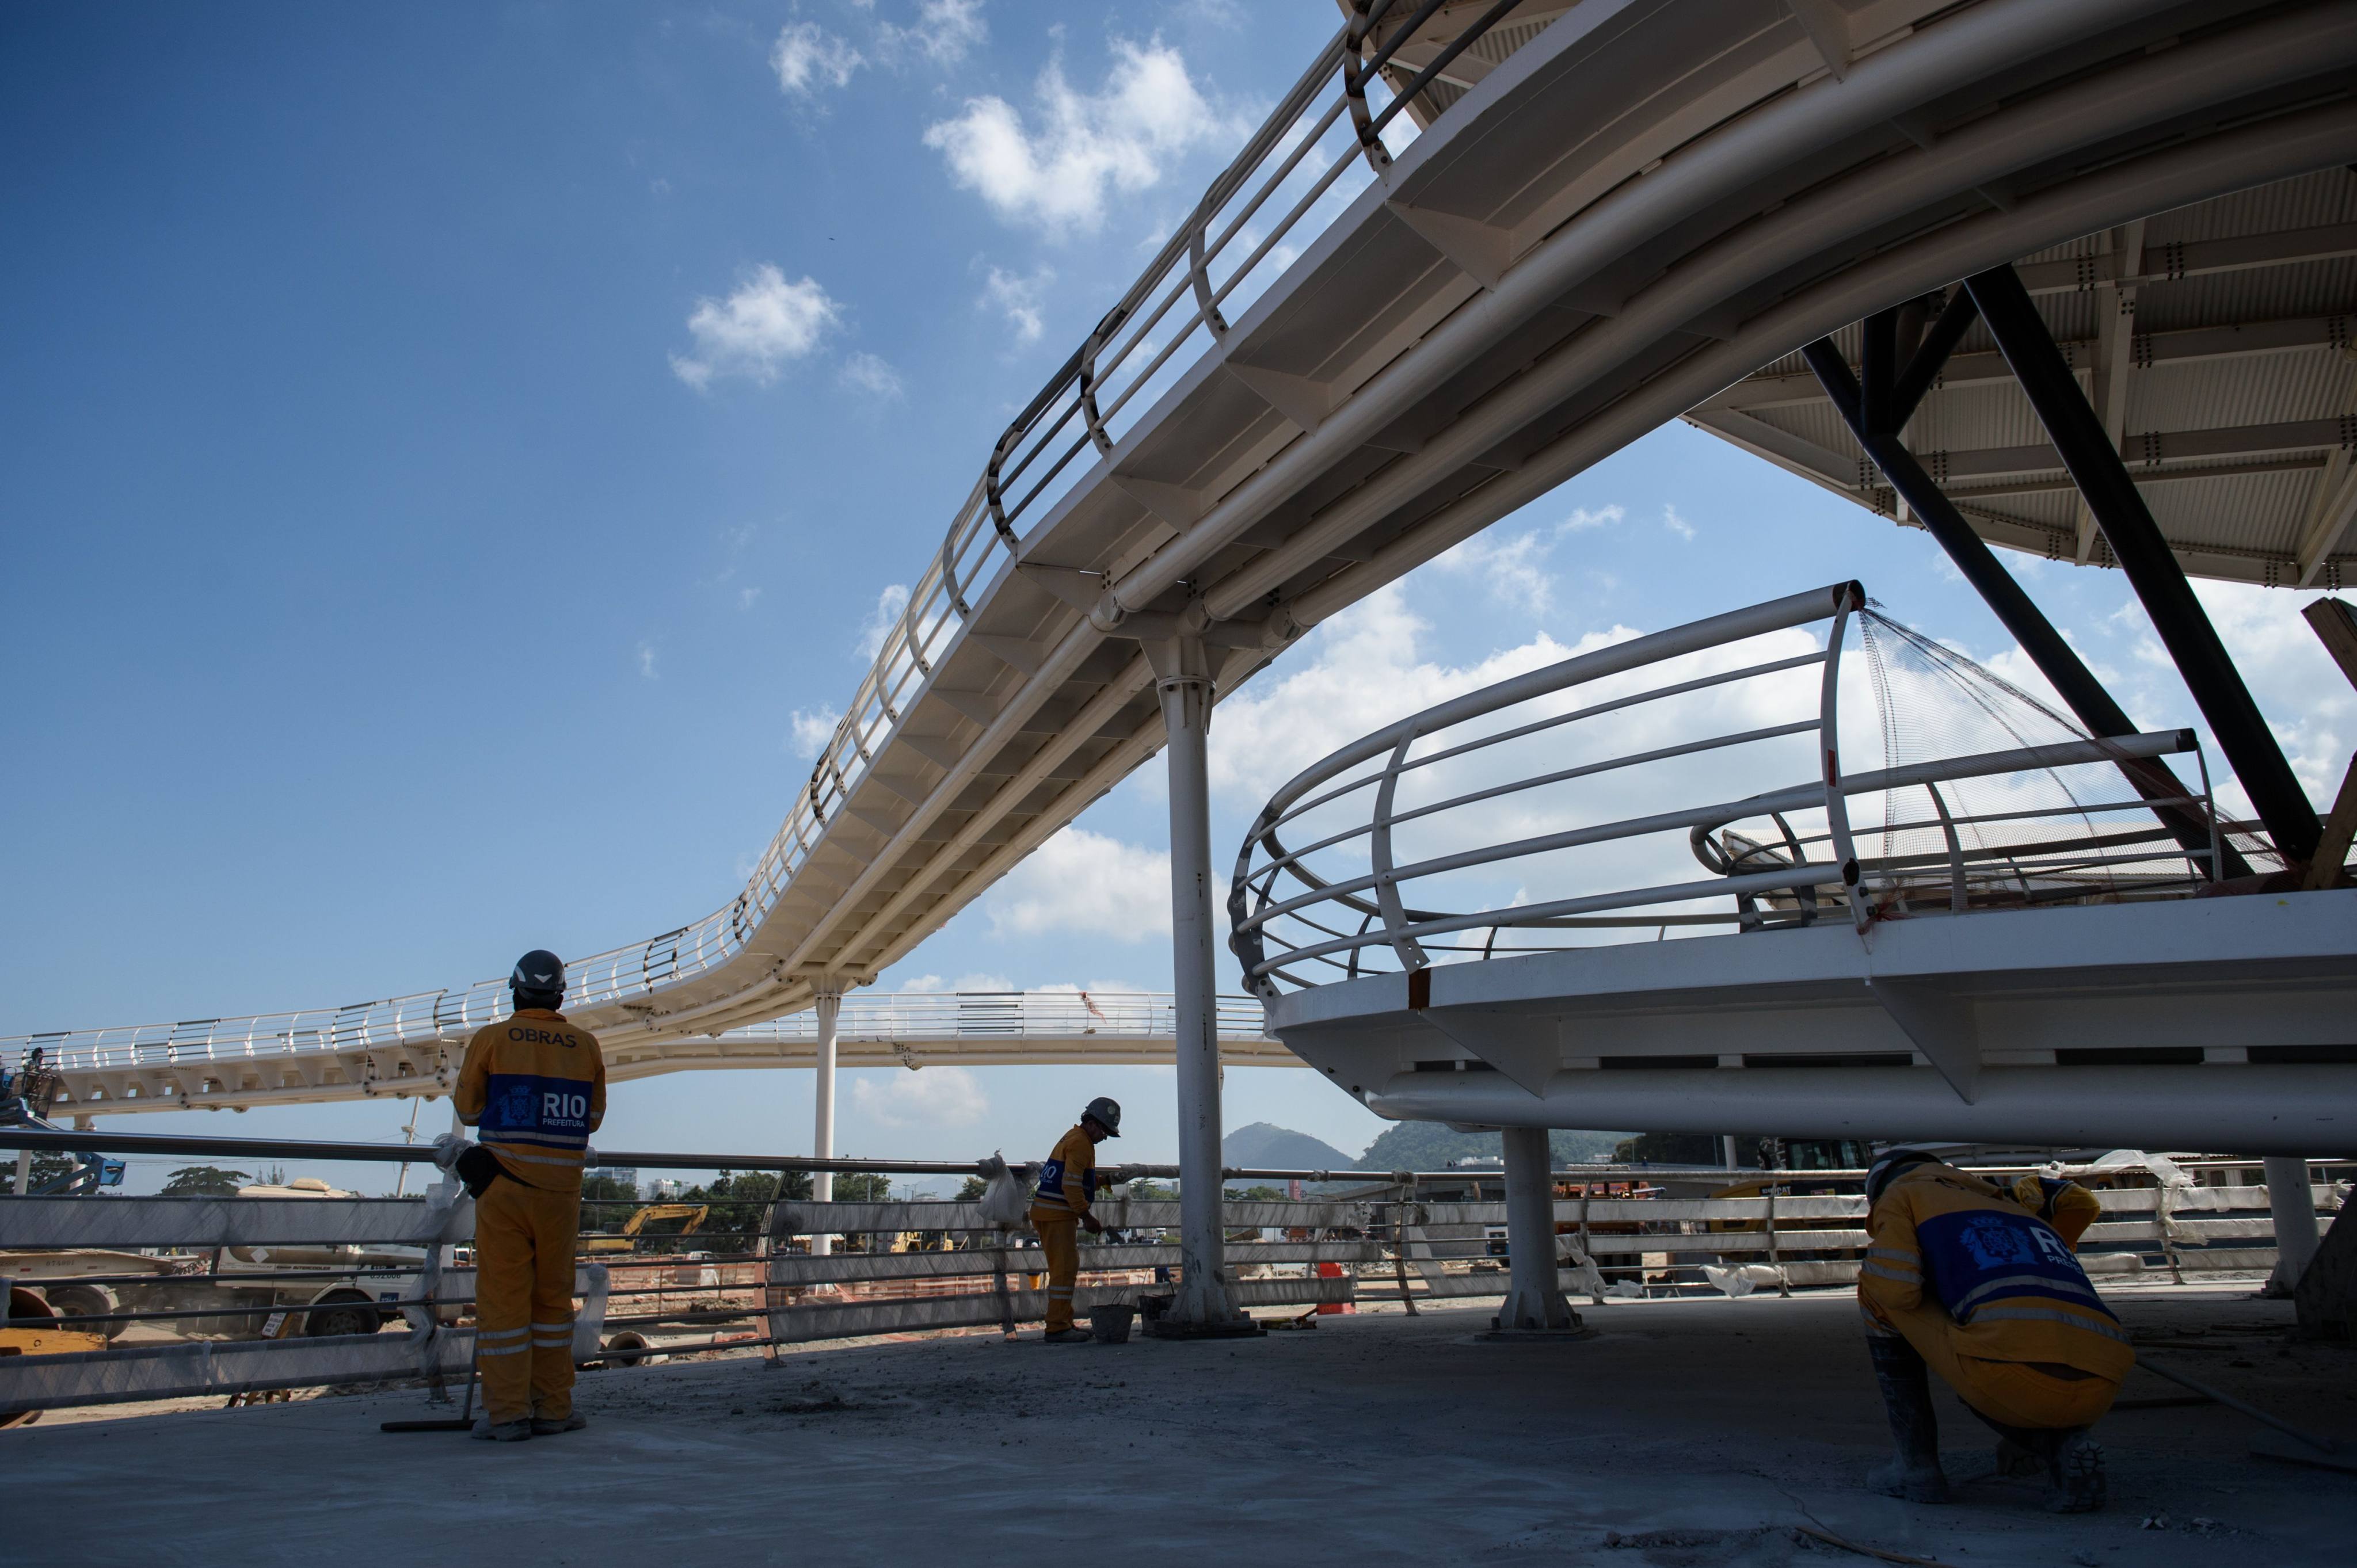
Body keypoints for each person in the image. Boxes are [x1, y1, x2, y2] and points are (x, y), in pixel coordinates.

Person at [1857, 1147, 2128, 1512]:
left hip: (2009, 1375)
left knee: (1876, 1288)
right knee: (1997, 1328)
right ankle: (2058, 1444)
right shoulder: (2012, 1205)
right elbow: (2078, 1207)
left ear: (1878, 1191)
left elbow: (1897, 1290)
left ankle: (1915, 1468)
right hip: (2103, 1383)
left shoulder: (1903, 1195)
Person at [450, 949, 607, 1441]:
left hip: (504, 1188)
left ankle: (508, 1415)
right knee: (553, 1303)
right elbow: (593, 1118)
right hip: (561, 1192)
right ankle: (554, 1408)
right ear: (562, 994)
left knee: (503, 1304)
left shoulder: (493, 1038)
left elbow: (468, 1107)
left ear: (514, 990)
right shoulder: (585, 1045)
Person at [1029, 1096, 1124, 1344]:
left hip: (1050, 1212)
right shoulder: (1081, 1143)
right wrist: (1086, 1216)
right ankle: (1057, 1327)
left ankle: (1063, 1321)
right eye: (1104, 1131)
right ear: (1092, 1123)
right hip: (1057, 1214)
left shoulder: (1075, 1139)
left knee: (1064, 1268)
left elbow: (1076, 1178)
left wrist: (1104, 1181)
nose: (1104, 1137)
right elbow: (1070, 1185)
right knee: (1064, 1270)